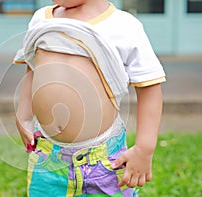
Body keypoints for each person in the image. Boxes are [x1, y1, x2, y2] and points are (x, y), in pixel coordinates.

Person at [14, 0, 166, 196]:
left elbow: (150, 88)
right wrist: (24, 114)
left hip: (104, 160)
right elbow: (32, 67)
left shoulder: (124, 26)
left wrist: (144, 148)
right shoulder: (41, 19)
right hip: (48, 155)